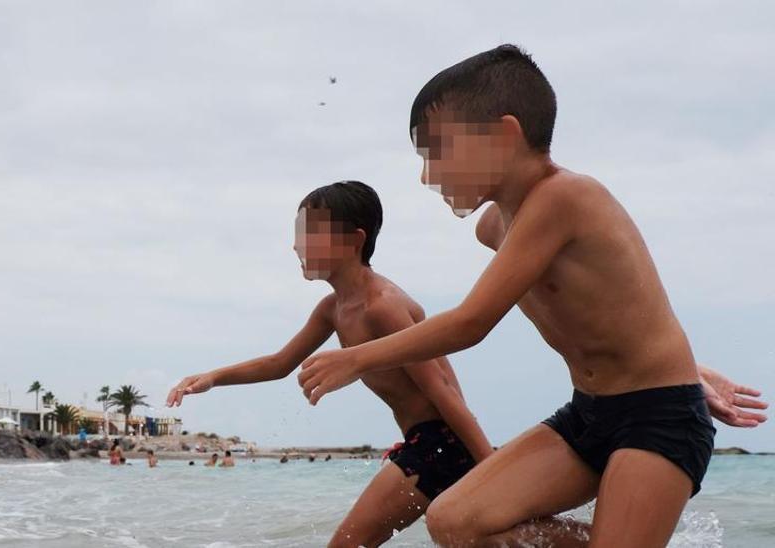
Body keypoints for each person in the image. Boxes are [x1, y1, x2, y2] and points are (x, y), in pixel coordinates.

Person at [295, 44, 768, 546]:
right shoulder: (495, 229)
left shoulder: (567, 196)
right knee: (453, 519)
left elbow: (470, 323)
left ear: (504, 135)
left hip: (659, 417)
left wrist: (355, 359)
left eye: (437, 152)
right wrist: (691, 366)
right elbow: (603, 304)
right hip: (587, 414)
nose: (428, 176)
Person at [168, 181, 495, 547]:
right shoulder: (333, 309)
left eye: (309, 232)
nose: (297, 245)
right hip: (424, 445)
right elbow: (279, 363)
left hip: (440, 445)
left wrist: (491, 471)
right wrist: (214, 377)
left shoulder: (381, 306)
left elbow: (444, 391)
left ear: (354, 240)